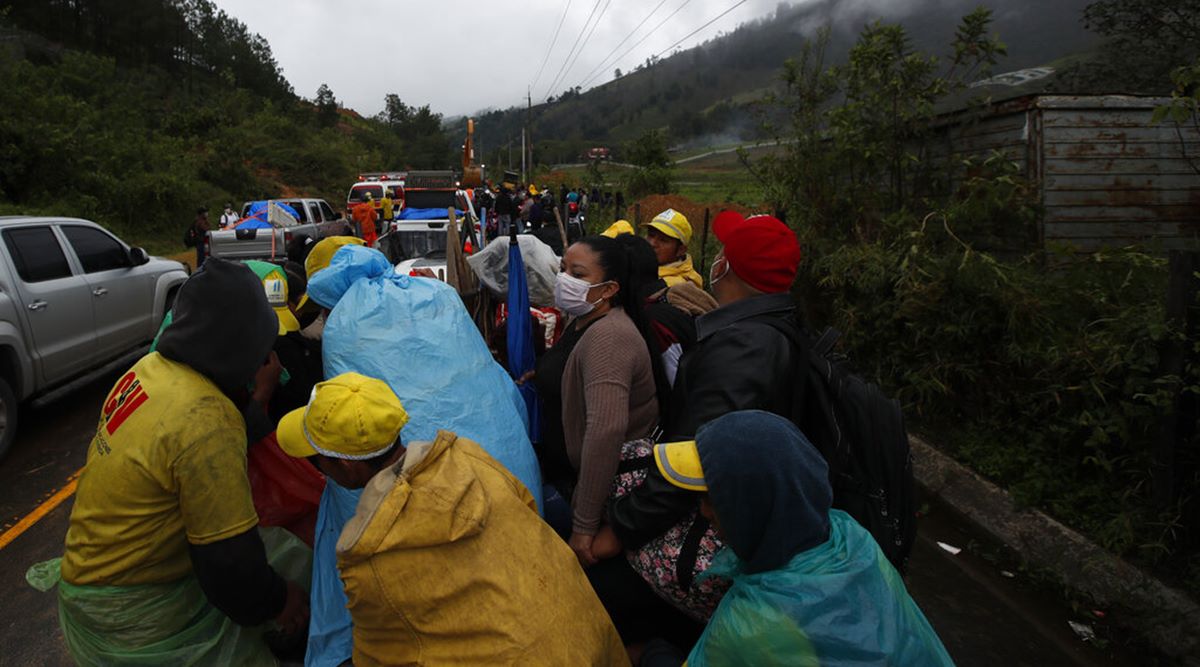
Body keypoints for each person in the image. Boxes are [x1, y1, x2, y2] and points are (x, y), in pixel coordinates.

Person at [48, 259, 309, 665]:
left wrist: (253, 400)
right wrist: (282, 601)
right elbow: (231, 570)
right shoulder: (206, 419)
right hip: (137, 616)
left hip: (88, 579)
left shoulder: (148, 370)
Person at [277, 372, 628, 666]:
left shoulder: (368, 556)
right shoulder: (470, 457)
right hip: (589, 636)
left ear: (347, 465)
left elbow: (379, 655)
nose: (317, 471)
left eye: (316, 461)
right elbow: (528, 514)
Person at [644, 411, 954, 666]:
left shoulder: (750, 627)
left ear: (751, 512)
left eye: (712, 499)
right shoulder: (853, 538)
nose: (704, 511)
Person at [603, 211, 804, 590]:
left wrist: (621, 528)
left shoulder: (742, 350)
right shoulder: (770, 327)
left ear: (726, 265)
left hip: (708, 521)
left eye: (725, 249)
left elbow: (697, 453)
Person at [643, 209, 703, 289]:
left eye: (663, 240)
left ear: (681, 250)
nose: (652, 243)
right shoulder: (647, 269)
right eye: (651, 235)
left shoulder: (677, 287)